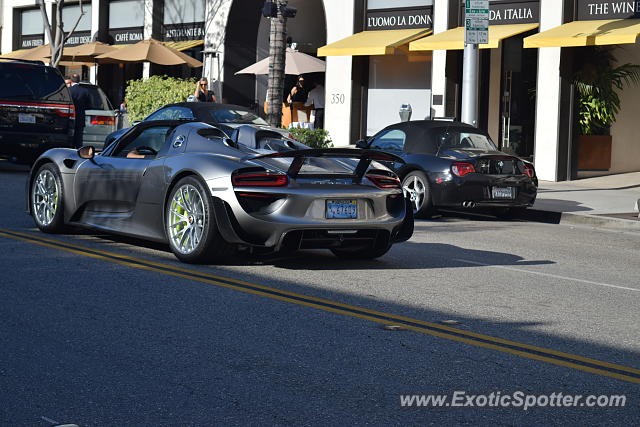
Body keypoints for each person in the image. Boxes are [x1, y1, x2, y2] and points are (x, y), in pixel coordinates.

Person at [68, 74, 91, 148]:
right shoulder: (85, 91)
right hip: (80, 117)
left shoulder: (68, 90)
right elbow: (89, 105)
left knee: (69, 137)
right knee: (79, 138)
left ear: (71, 81)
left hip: (69, 117)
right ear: (79, 80)